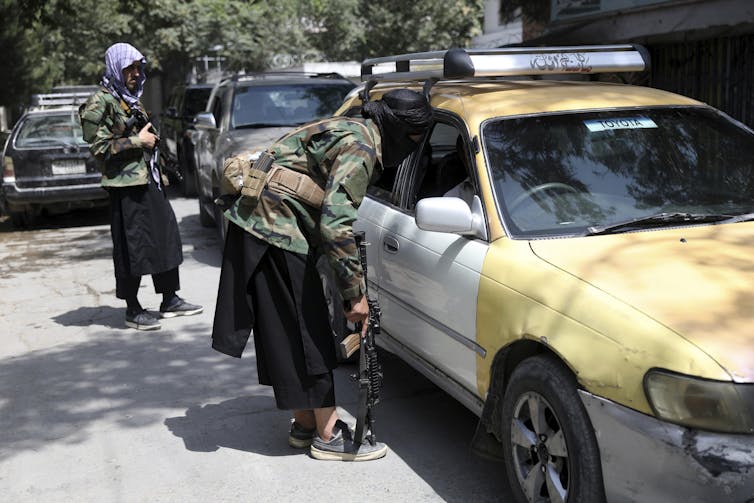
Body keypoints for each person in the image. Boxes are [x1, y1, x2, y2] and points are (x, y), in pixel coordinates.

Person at [211, 89, 432, 461]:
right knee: (308, 329)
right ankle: (328, 435)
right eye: (414, 138)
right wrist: (354, 295)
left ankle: (305, 423)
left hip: (259, 223)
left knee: (285, 329)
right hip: (275, 227)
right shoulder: (362, 148)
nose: (414, 147)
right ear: (400, 130)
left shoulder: (356, 128)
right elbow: (335, 226)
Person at [79, 43, 203, 331]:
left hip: (149, 178)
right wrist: (137, 142)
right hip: (125, 185)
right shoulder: (100, 102)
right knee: (131, 246)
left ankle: (169, 299)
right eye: (130, 68)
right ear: (116, 68)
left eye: (139, 68)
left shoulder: (132, 100)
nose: (136, 74)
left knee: (165, 235)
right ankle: (133, 308)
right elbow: (98, 147)